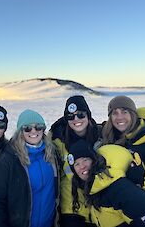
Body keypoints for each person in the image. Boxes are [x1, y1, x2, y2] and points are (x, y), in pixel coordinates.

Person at [68, 139, 145, 227]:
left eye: (85, 160)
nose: (82, 166)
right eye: (77, 164)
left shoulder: (118, 188)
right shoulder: (93, 190)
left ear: (94, 160)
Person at [0, 109, 60, 227]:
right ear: (20, 131)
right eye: (27, 128)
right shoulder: (7, 159)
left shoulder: (52, 154)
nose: (33, 131)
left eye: (38, 127)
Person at [49, 95, 99, 227]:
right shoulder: (57, 140)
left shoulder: (101, 136)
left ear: (88, 115)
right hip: (71, 208)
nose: (76, 119)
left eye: (81, 115)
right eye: (70, 116)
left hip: (98, 205)